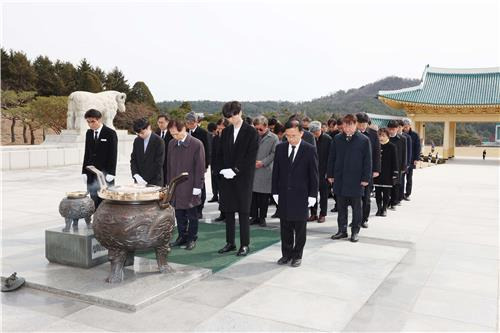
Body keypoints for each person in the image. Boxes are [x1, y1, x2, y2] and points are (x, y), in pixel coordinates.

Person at [272, 120, 318, 267]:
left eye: (293, 135)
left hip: (301, 194)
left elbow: (314, 175)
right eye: (288, 136)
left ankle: (297, 255)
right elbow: (276, 172)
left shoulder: (309, 149)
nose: (290, 139)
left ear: (301, 134)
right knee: (285, 226)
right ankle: (286, 254)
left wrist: (313, 195)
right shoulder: (280, 148)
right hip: (284, 194)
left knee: (299, 228)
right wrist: (275, 192)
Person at [217, 101, 259, 256]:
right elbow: (220, 153)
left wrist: (235, 170)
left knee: (243, 212)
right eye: (228, 117)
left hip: (243, 178)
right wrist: (222, 169)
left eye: (233, 116)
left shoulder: (251, 132)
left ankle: (244, 244)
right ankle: (230, 242)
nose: (231, 119)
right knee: (228, 211)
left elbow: (250, 156)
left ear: (240, 112)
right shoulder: (226, 132)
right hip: (227, 177)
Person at [328, 114, 372, 242]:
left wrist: (366, 178)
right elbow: (332, 158)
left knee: (356, 208)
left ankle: (355, 232)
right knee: (341, 207)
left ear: (355, 124)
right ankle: (342, 230)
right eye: (345, 125)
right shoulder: (337, 138)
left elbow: (367, 161)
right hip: (340, 178)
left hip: (356, 179)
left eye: (350, 125)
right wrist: (330, 174)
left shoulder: (364, 140)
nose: (347, 128)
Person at [167, 119, 206, 250]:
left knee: (192, 214)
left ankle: (191, 238)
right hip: (176, 186)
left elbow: (200, 167)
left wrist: (198, 186)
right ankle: (181, 236)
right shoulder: (172, 143)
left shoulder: (196, 144)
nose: (174, 137)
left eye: (176, 134)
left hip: (190, 186)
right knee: (179, 213)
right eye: (172, 134)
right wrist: (169, 184)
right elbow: (169, 166)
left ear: (183, 129)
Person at [82, 109, 118, 208]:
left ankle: (106, 220)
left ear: (99, 120)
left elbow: (113, 154)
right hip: (91, 173)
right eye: (88, 122)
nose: (90, 124)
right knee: (93, 197)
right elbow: (87, 153)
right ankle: (96, 219)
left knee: (105, 199)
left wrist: (112, 172)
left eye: (93, 121)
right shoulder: (88, 133)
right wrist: (84, 172)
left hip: (105, 173)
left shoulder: (110, 133)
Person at [250, 116, 279, 227]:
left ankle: (262, 218)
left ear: (266, 126)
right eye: (256, 129)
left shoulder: (273, 138)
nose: (258, 131)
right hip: (253, 169)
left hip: (265, 170)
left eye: (260, 129)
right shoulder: (253, 136)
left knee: (263, 197)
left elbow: (274, 153)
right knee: (253, 196)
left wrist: (263, 162)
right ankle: (254, 216)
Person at [356, 113, 381, 228]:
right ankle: (356, 219)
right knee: (355, 198)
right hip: (354, 170)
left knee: (366, 197)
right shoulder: (351, 133)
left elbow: (377, 153)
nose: (361, 126)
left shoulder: (373, 134)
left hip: (368, 170)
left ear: (367, 123)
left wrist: (376, 169)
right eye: (359, 124)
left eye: (364, 124)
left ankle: (364, 219)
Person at [185, 112, 210, 219]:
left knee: (200, 186)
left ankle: (199, 209)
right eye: (187, 122)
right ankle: (189, 207)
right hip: (186, 165)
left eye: (191, 122)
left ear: (196, 122)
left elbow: (208, 150)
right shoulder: (184, 132)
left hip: (199, 164)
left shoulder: (203, 133)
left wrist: (205, 165)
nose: (189, 124)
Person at [308, 121, 332, 223]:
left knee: (324, 194)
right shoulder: (309, 138)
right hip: (312, 170)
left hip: (324, 171)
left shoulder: (328, 139)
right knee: (312, 193)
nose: (314, 134)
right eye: (312, 132)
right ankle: (313, 213)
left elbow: (331, 157)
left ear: (320, 129)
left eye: (316, 132)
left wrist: (329, 172)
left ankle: (323, 214)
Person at [130, 118, 165, 186]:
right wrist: (136, 174)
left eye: (142, 133)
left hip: (154, 181)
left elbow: (158, 163)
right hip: (139, 181)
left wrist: (144, 179)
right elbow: (133, 159)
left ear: (149, 127)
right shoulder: (137, 141)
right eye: (138, 133)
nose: (140, 135)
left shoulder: (159, 141)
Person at [374, 128, 398, 217]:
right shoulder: (375, 146)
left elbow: (395, 161)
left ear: (388, 136)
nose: (381, 137)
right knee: (377, 193)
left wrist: (395, 174)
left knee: (386, 193)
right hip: (377, 173)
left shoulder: (392, 146)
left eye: (383, 136)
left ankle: (384, 209)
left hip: (388, 173)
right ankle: (379, 208)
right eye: (379, 135)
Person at [211, 118, 229, 222]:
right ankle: (222, 213)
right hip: (218, 169)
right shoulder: (216, 139)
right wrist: (213, 169)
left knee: (228, 194)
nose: (220, 130)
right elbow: (213, 155)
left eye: (222, 128)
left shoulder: (230, 139)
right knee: (221, 193)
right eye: (219, 128)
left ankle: (228, 214)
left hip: (228, 171)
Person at [387, 120, 407, 209]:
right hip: (387, 165)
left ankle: (394, 202)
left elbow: (404, 153)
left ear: (397, 129)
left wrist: (403, 166)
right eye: (390, 129)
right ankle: (387, 201)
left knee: (396, 184)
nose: (391, 131)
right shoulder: (385, 138)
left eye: (393, 129)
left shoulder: (402, 139)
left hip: (398, 165)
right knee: (388, 184)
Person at [402, 118, 421, 200]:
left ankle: (407, 194)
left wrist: (416, 159)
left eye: (406, 126)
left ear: (410, 126)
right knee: (401, 178)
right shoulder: (401, 134)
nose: (405, 128)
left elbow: (418, 147)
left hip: (411, 159)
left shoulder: (415, 135)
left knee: (409, 177)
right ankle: (400, 193)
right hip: (402, 159)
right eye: (404, 127)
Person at [155, 114, 173, 186]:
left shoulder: (172, 134)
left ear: (168, 122)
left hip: (169, 163)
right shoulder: (156, 133)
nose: (160, 124)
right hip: (158, 164)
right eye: (159, 122)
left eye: (162, 122)